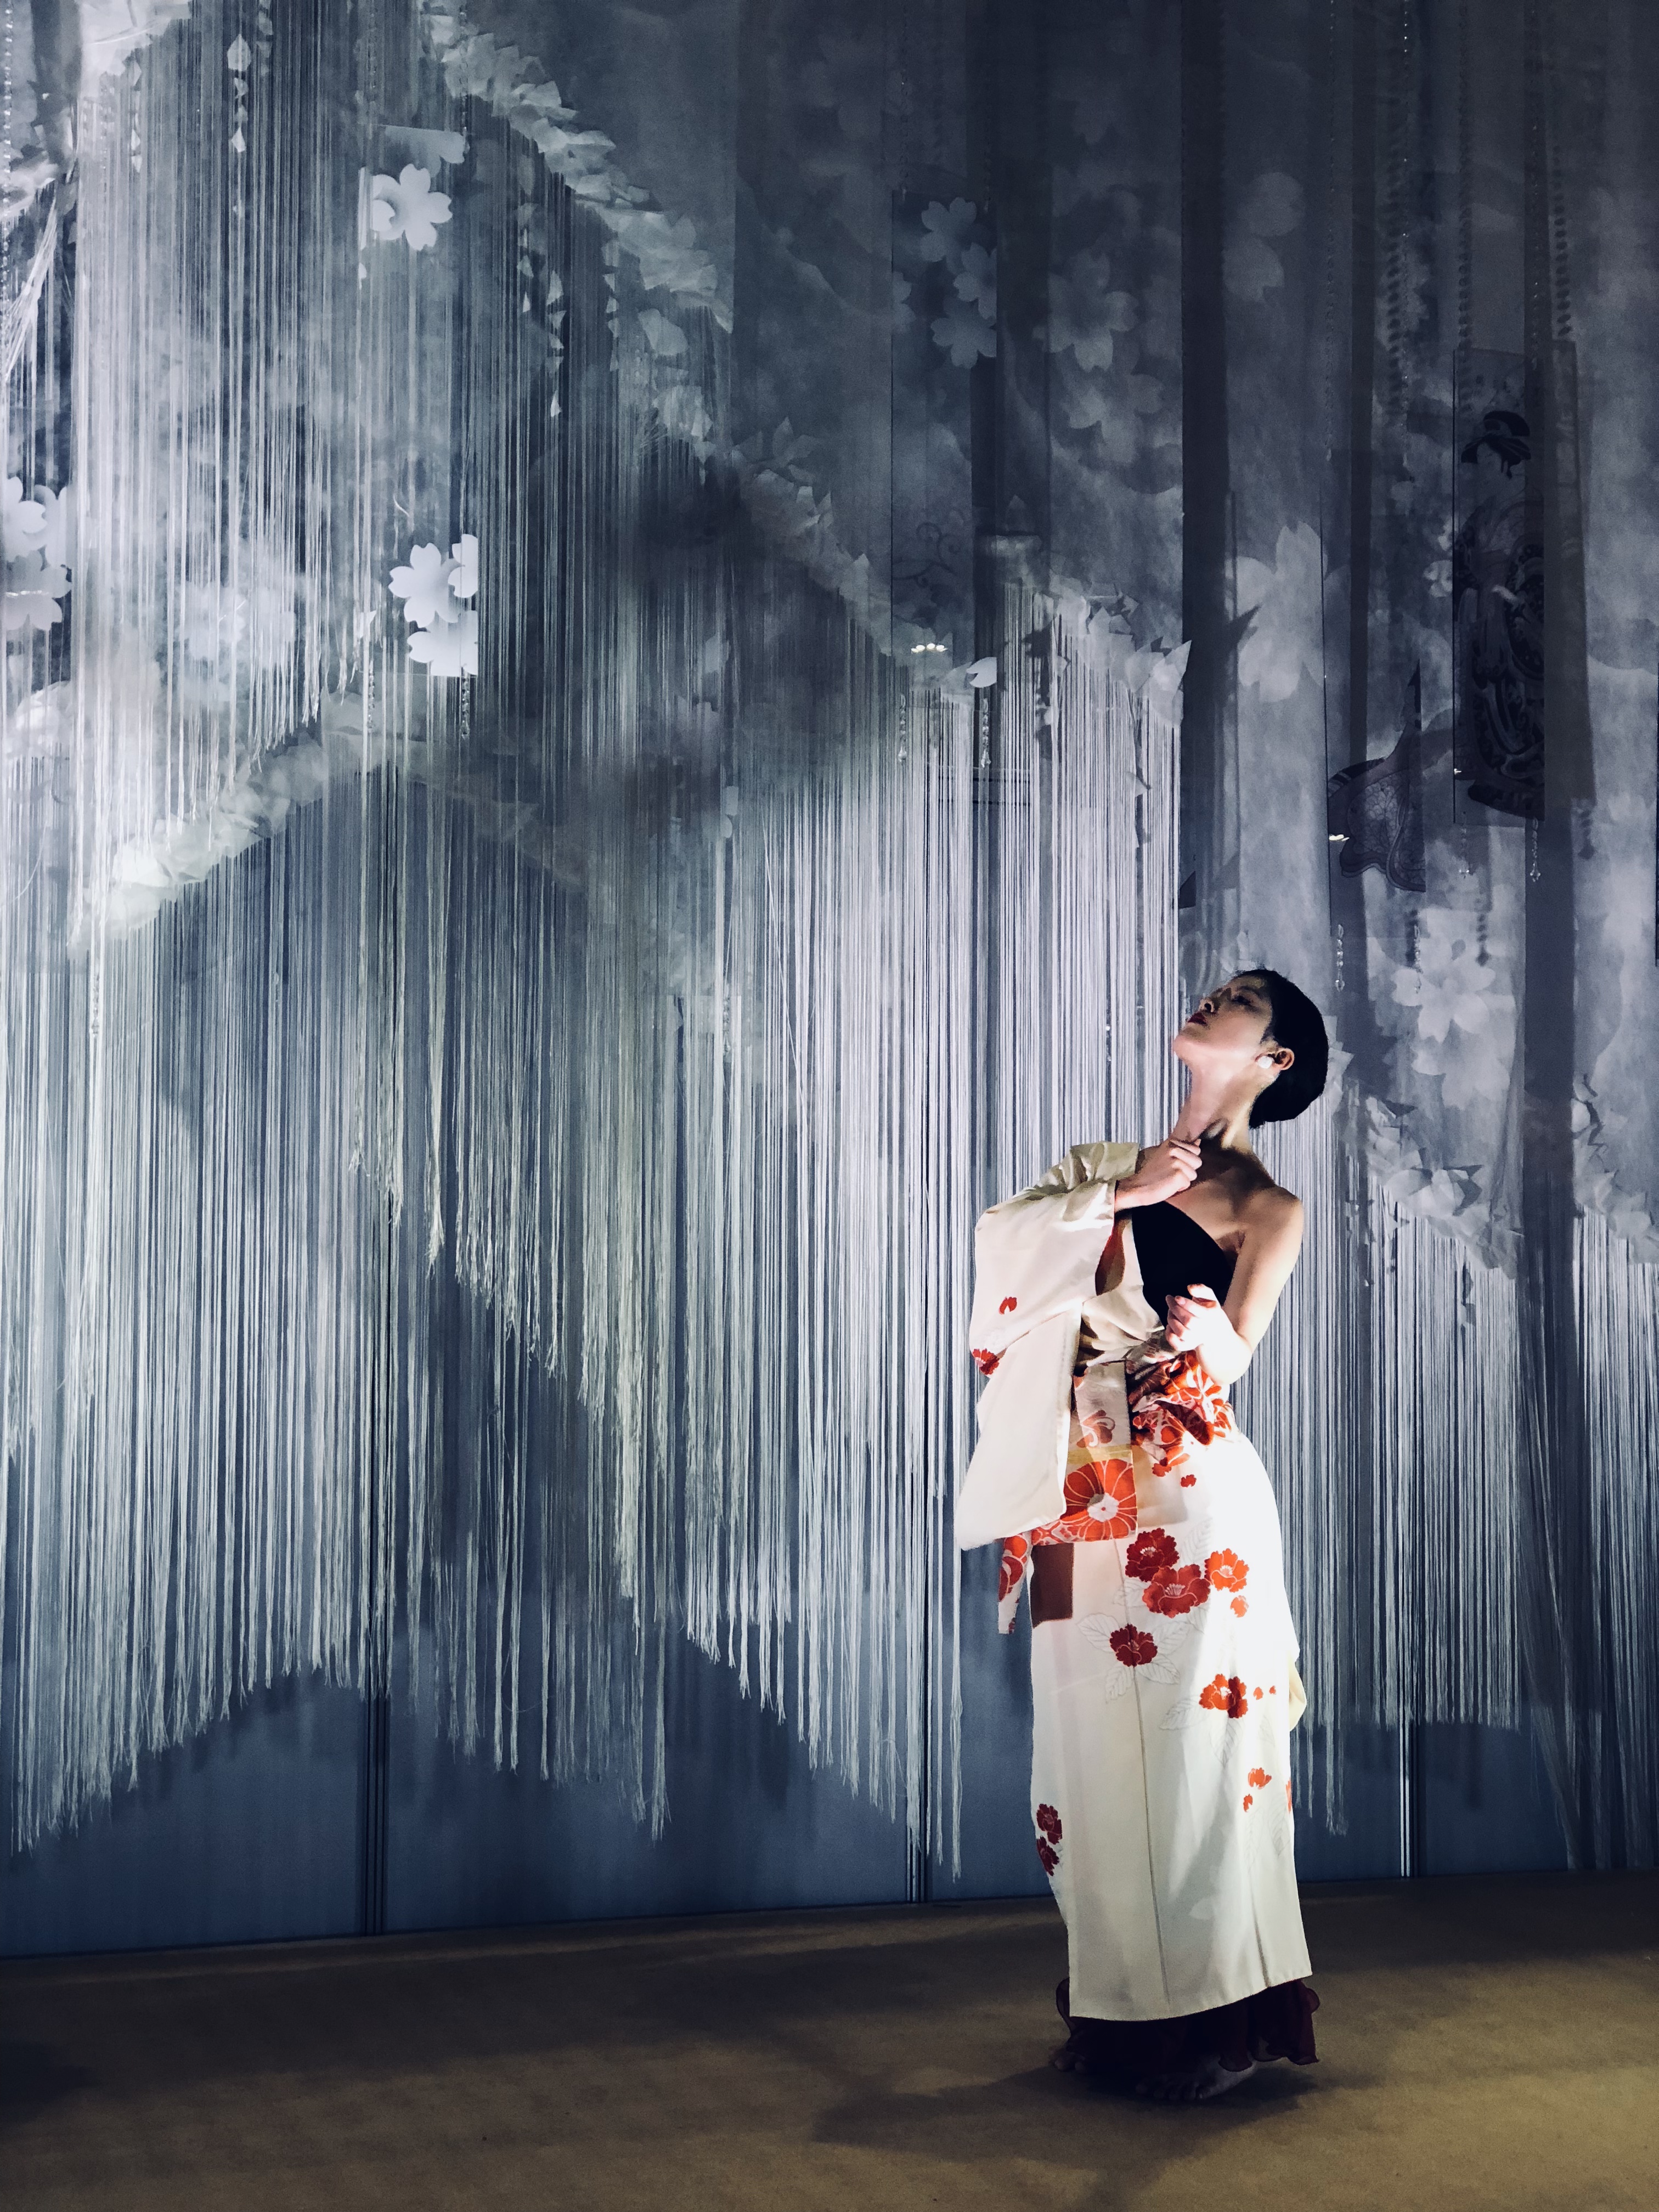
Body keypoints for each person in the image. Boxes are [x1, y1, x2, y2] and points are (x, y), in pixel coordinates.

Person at [957, 969, 1330, 2102]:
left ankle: (1214, 2023)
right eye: (1218, 987)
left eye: (1244, 1000)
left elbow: (1237, 1356)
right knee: (1085, 1751)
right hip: (1078, 1484)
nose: (1215, 998)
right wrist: (1123, 1196)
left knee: (1197, 1751)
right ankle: (1122, 2016)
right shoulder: (1100, 1168)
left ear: (1274, 1062)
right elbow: (997, 1251)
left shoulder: (1270, 1207)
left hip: (1191, 1496)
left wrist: (1204, 1335)